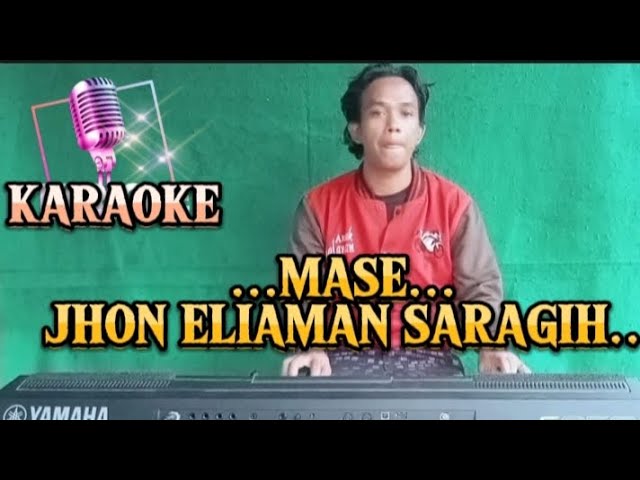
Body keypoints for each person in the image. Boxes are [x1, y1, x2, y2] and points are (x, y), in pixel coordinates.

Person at [281, 63, 531, 377]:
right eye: (377, 113)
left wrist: (492, 346)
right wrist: (310, 346)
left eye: (406, 113)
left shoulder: (455, 205)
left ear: (420, 131)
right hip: (342, 358)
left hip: (431, 357)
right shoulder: (318, 206)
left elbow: (480, 288)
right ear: (356, 129)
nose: (393, 126)